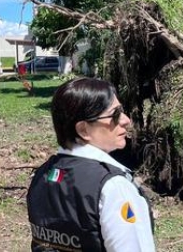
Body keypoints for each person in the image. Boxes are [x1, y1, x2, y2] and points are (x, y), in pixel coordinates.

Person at [27, 77, 155, 251]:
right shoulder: (114, 187)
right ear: (83, 130)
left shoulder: (42, 176)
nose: (126, 120)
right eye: (115, 114)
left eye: (122, 111)